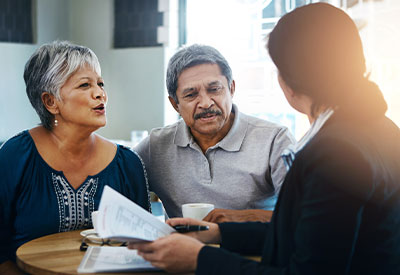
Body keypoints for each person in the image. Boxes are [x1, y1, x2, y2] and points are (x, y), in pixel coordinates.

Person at [128, 3, 400, 274]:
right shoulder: (381, 129)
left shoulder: (336, 153)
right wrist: (219, 233)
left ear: (291, 80)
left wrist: (200, 260)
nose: (205, 102)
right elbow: (313, 235)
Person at [0, 41, 150, 273]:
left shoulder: (128, 164)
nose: (100, 93)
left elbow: (146, 248)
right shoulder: (15, 156)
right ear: (51, 102)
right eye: (84, 85)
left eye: (100, 83)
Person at [134, 44, 294, 223]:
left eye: (214, 89)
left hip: (253, 250)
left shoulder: (275, 140)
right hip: (181, 250)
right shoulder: (155, 147)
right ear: (175, 104)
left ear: (231, 89)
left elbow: (301, 216)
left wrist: (242, 218)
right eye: (191, 95)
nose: (205, 103)